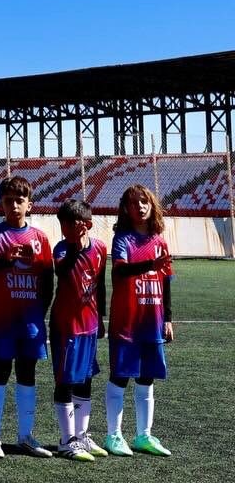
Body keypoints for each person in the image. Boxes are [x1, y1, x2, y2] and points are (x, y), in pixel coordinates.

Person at [0, 175, 55, 459]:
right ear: (0, 203)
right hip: (3, 320)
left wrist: (41, 312)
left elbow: (48, 280)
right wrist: (9, 257)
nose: (13, 205)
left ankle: (25, 435)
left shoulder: (40, 238)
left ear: (29, 205)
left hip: (31, 321)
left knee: (27, 374)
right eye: (8, 200)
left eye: (19, 200)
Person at [104, 184, 174, 457]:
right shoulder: (122, 239)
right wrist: (148, 266)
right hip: (127, 321)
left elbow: (166, 280)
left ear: (152, 205)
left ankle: (143, 435)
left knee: (147, 378)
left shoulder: (160, 241)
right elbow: (120, 272)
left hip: (152, 319)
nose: (140, 207)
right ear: (126, 209)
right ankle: (113, 435)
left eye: (144, 202)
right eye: (134, 203)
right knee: (120, 376)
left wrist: (168, 319)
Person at [50, 197, 107, 462]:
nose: (64, 229)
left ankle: (82, 434)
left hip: (90, 325)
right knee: (65, 381)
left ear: (86, 225)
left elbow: (101, 285)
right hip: (66, 327)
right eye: (62, 224)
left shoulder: (100, 249)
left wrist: (102, 319)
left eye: (70, 224)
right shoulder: (62, 249)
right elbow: (62, 271)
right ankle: (66, 440)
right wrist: (74, 245)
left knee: (85, 380)